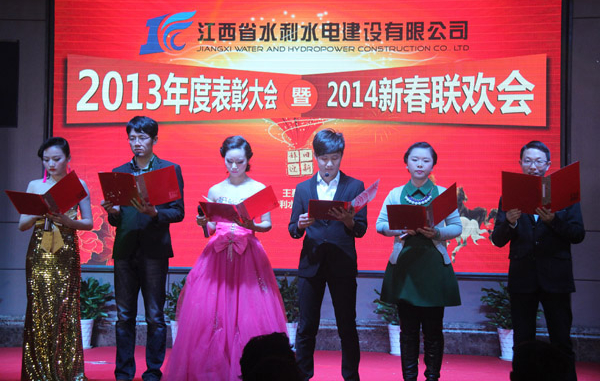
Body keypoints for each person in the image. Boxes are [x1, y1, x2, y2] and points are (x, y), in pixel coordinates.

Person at [163, 135, 287, 381]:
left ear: (248, 160)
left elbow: (267, 225)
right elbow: (211, 228)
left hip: (247, 255)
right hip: (217, 256)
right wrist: (203, 222)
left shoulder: (258, 189)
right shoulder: (216, 190)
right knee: (211, 315)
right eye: (229, 161)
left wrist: (252, 225)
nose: (234, 166)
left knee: (248, 313)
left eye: (239, 161)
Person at [491, 140, 585, 381]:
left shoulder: (565, 195)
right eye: (528, 161)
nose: (533, 166)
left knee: (561, 340)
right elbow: (497, 239)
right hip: (523, 278)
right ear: (520, 163)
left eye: (538, 161)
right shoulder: (509, 196)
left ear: (548, 165)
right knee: (522, 341)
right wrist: (510, 222)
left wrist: (553, 221)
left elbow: (578, 234)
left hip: (556, 278)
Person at [101, 116, 185, 381]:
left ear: (154, 139)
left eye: (142, 137)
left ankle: (152, 372)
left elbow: (178, 212)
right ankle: (123, 373)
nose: (136, 143)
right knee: (124, 316)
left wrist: (155, 213)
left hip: (154, 250)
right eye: (132, 138)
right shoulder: (119, 172)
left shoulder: (169, 170)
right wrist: (113, 212)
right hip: (125, 250)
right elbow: (116, 220)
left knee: (155, 316)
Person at [376, 142, 462, 381]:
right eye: (415, 160)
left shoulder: (443, 194)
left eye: (426, 160)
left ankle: (432, 376)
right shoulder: (395, 194)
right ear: (407, 163)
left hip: (434, 268)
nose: (420, 165)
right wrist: (398, 229)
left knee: (434, 330)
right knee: (408, 331)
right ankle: (410, 377)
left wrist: (437, 233)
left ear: (433, 164)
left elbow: (457, 227)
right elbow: (380, 225)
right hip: (405, 269)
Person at [288, 129, 367, 381]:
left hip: (342, 265)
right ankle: (302, 375)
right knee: (306, 326)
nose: (329, 164)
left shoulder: (354, 186)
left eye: (334, 158)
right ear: (315, 157)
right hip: (311, 264)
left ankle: (351, 377)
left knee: (347, 326)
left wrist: (348, 221)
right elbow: (292, 230)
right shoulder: (303, 188)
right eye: (323, 158)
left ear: (341, 156)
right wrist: (300, 225)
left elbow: (361, 229)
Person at [18, 137, 93, 381]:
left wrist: (69, 221)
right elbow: (22, 225)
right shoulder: (34, 185)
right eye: (46, 160)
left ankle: (66, 371)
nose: (51, 164)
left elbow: (89, 223)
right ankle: (38, 372)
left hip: (65, 252)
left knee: (64, 308)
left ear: (68, 158)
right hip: (39, 253)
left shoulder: (78, 184)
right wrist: (38, 212)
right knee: (38, 308)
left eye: (56, 159)